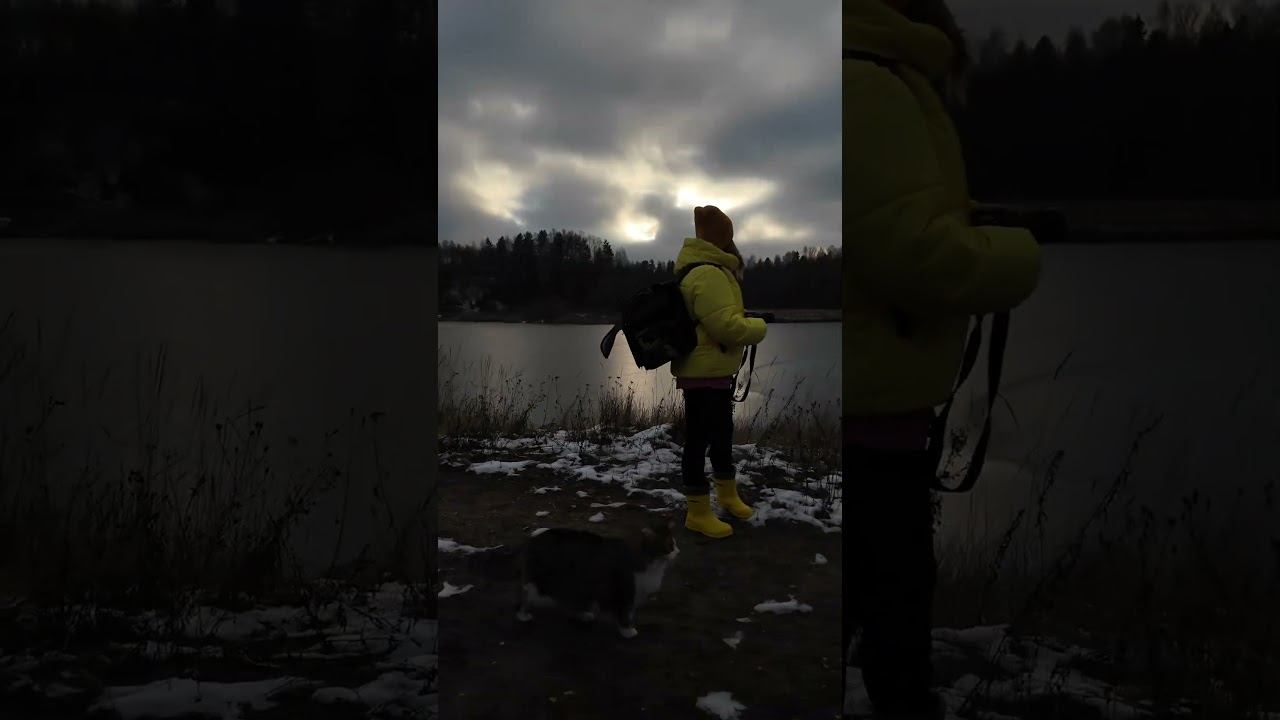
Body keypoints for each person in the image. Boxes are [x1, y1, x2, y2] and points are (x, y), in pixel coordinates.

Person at [843, 0, 1048, 717]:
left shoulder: (869, 75)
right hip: (871, 418)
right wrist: (1013, 256)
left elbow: (886, 215)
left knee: (882, 604)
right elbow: (908, 252)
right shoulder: (870, 84)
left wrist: (965, 220)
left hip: (878, 409)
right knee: (894, 617)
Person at [671, 205, 766, 539]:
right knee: (698, 440)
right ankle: (698, 512)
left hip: (712, 369)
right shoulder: (708, 274)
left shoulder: (706, 269)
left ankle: (727, 495)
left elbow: (716, 319)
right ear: (722, 238)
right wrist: (758, 327)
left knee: (722, 434)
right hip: (703, 372)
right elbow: (725, 327)